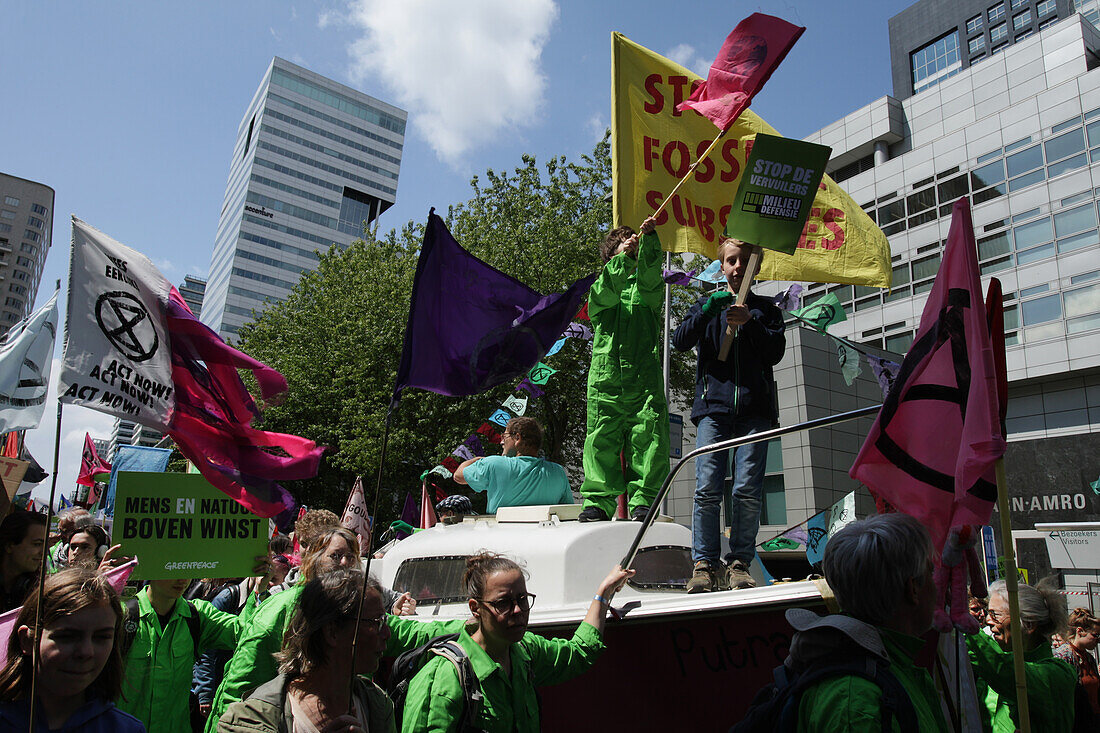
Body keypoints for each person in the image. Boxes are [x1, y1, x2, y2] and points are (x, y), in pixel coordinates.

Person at [398, 552, 634, 732]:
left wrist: (603, 593)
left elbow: (579, 652)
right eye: (503, 603)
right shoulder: (442, 679)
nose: (518, 610)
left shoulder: (524, 652)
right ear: (475, 608)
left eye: (522, 599)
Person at [205, 526, 413, 729]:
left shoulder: (376, 704)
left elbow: (407, 631)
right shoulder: (279, 607)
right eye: (336, 555)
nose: (345, 563)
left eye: (351, 557)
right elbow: (243, 683)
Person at [672, 237, 785, 592]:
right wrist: (707, 310)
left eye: (745, 262)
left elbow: (775, 352)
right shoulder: (705, 305)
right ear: (721, 267)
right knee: (707, 488)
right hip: (714, 410)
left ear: (756, 269)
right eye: (732, 261)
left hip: (755, 412)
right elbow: (680, 340)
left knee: (747, 489)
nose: (738, 268)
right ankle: (703, 563)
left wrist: (750, 323)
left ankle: (739, 562)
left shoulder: (767, 311)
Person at [780, 513, 948, 732]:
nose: (936, 587)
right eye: (931, 572)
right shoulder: (855, 704)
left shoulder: (886, 670)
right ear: (913, 588)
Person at [218, 569, 395, 732]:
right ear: (331, 631)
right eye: (376, 622)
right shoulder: (252, 718)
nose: (386, 634)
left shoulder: (376, 704)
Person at [577, 216, 668, 523]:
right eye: (624, 245)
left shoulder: (648, 293)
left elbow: (652, 277)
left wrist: (651, 240)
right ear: (611, 255)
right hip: (606, 381)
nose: (631, 248)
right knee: (601, 438)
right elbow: (604, 294)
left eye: (634, 245)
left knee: (649, 438)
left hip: (644, 381)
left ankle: (644, 500)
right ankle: (598, 502)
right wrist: (621, 262)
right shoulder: (601, 289)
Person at [119, 560, 269, 733]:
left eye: (188, 570)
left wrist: (258, 589)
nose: (183, 579)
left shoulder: (197, 616)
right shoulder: (121, 615)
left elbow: (245, 631)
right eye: (173, 569)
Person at [0, 567, 145, 731]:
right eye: (67, 636)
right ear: (27, 640)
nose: (86, 652)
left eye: (101, 637)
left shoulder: (126, 729)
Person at [968, 577, 1077, 732]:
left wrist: (965, 627)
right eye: (988, 613)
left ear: (1029, 623)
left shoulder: (1058, 674)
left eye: (995, 615)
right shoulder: (990, 675)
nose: (988, 620)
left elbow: (1006, 671)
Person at [454, 417, 573, 513]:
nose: (501, 441)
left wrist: (477, 459)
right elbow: (568, 510)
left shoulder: (494, 464)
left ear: (517, 437)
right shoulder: (558, 472)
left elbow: (458, 476)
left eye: (504, 436)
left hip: (503, 539)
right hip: (541, 539)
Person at [1054, 608, 1100, 717]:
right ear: (1079, 631)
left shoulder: (1089, 658)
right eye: (1095, 635)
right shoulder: (1064, 656)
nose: (1098, 641)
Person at [0, 510, 48, 612]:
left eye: (45, 546)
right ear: (9, 545)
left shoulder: (40, 592)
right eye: (37, 544)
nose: (43, 552)